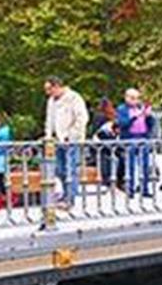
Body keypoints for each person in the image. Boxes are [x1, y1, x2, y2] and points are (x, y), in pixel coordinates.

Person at [43, 77, 88, 208]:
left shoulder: (74, 98)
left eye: (49, 89)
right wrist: (48, 136)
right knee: (60, 169)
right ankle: (65, 194)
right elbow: (49, 121)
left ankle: (70, 198)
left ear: (57, 86)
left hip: (71, 141)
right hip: (56, 141)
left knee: (71, 169)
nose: (47, 92)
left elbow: (82, 118)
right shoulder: (51, 101)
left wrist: (71, 135)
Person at [117, 88, 154, 198]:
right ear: (126, 97)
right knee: (130, 165)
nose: (135, 101)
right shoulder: (122, 109)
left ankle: (145, 189)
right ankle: (131, 189)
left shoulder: (141, 107)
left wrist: (149, 116)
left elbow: (151, 125)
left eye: (137, 98)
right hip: (130, 138)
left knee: (145, 165)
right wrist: (134, 117)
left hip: (143, 137)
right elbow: (122, 124)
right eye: (133, 98)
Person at [92, 97, 121, 188]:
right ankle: (113, 181)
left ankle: (106, 182)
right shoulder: (113, 115)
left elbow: (95, 129)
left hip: (101, 142)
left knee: (103, 161)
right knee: (112, 161)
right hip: (111, 142)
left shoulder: (98, 116)